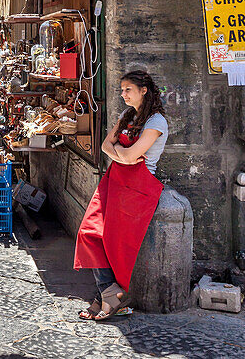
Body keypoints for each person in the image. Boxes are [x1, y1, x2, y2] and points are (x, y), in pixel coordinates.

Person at [74, 69, 169, 321]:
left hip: (137, 189)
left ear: (144, 90)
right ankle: (110, 292)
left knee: (113, 244)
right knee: (89, 233)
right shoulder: (127, 115)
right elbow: (106, 146)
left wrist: (120, 153)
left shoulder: (156, 122)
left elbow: (124, 155)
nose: (123, 94)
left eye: (128, 89)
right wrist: (121, 153)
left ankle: (106, 297)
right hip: (115, 181)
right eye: (121, 89)